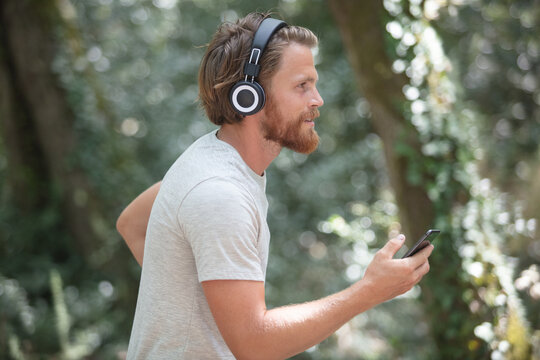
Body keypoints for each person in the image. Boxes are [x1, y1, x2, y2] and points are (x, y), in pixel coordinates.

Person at [117, 12, 434, 360]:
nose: (318, 100)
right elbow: (255, 345)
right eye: (302, 86)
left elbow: (133, 224)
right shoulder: (219, 194)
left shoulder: (206, 160)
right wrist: (368, 291)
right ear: (249, 96)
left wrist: (189, 301)